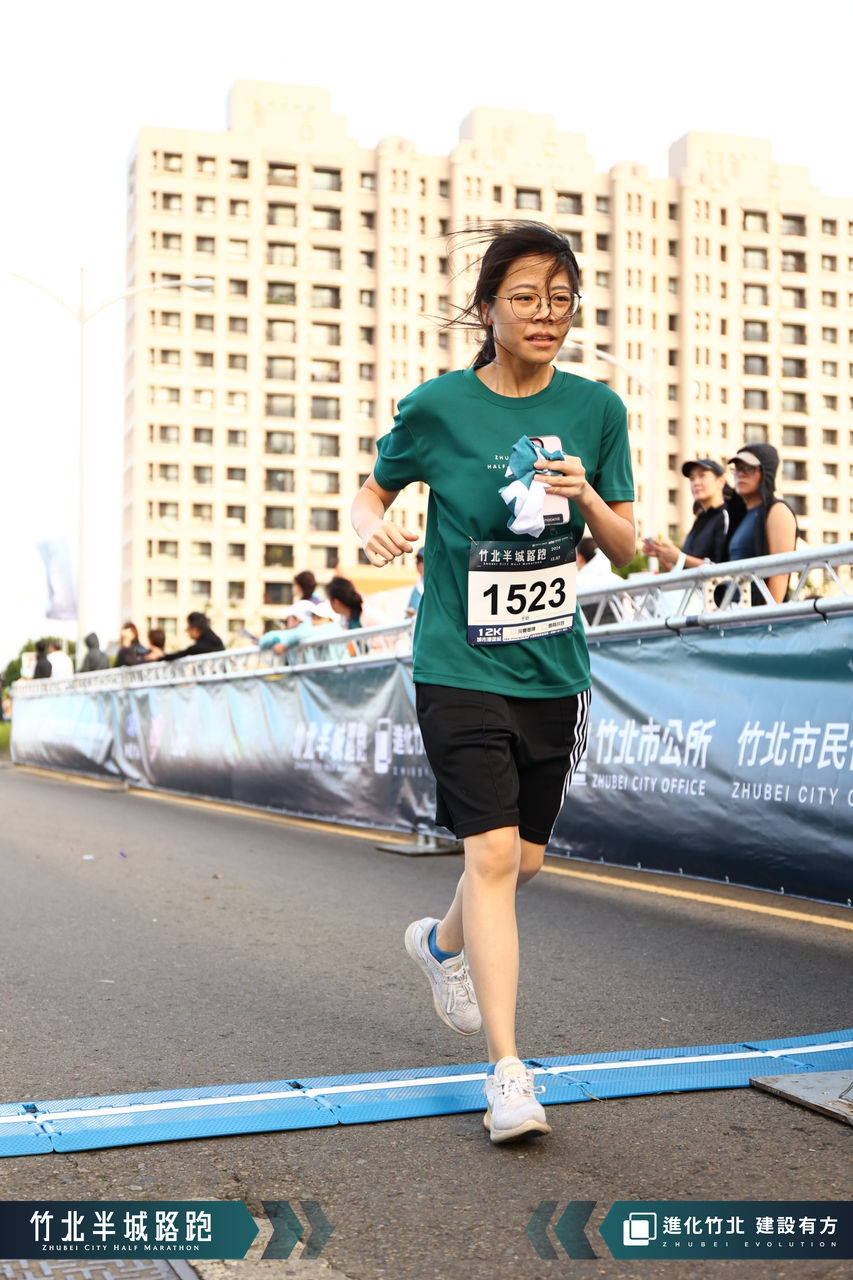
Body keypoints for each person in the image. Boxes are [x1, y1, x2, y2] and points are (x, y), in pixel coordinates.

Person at [350, 221, 635, 1144]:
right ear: (486, 310)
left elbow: (629, 551)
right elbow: (371, 490)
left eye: (560, 300)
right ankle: (509, 1074)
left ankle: (439, 945)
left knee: (523, 862)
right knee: (493, 859)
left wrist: (585, 496)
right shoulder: (437, 407)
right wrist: (369, 527)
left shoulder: (597, 410)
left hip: (552, 669)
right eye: (525, 299)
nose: (545, 316)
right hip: (457, 663)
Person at [726, 443, 798, 604]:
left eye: (748, 469)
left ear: (766, 472)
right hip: (734, 610)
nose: (740, 474)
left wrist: (767, 616)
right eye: (737, 469)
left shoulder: (777, 511)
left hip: (759, 614)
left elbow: (780, 573)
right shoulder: (740, 515)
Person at [642, 459, 739, 571]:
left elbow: (723, 567)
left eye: (702, 476)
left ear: (720, 481)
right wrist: (663, 555)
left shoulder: (727, 516)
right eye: (692, 478)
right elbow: (684, 571)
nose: (696, 483)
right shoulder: (700, 520)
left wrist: (680, 558)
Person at [258, 599, 343, 654]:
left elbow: (301, 633)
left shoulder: (333, 628)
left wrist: (284, 644)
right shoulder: (311, 633)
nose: (314, 622)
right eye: (313, 617)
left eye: (319, 618)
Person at [406, 547, 425, 617]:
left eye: (423, 560)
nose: (419, 565)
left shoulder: (439, 588)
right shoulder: (416, 589)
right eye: (418, 561)